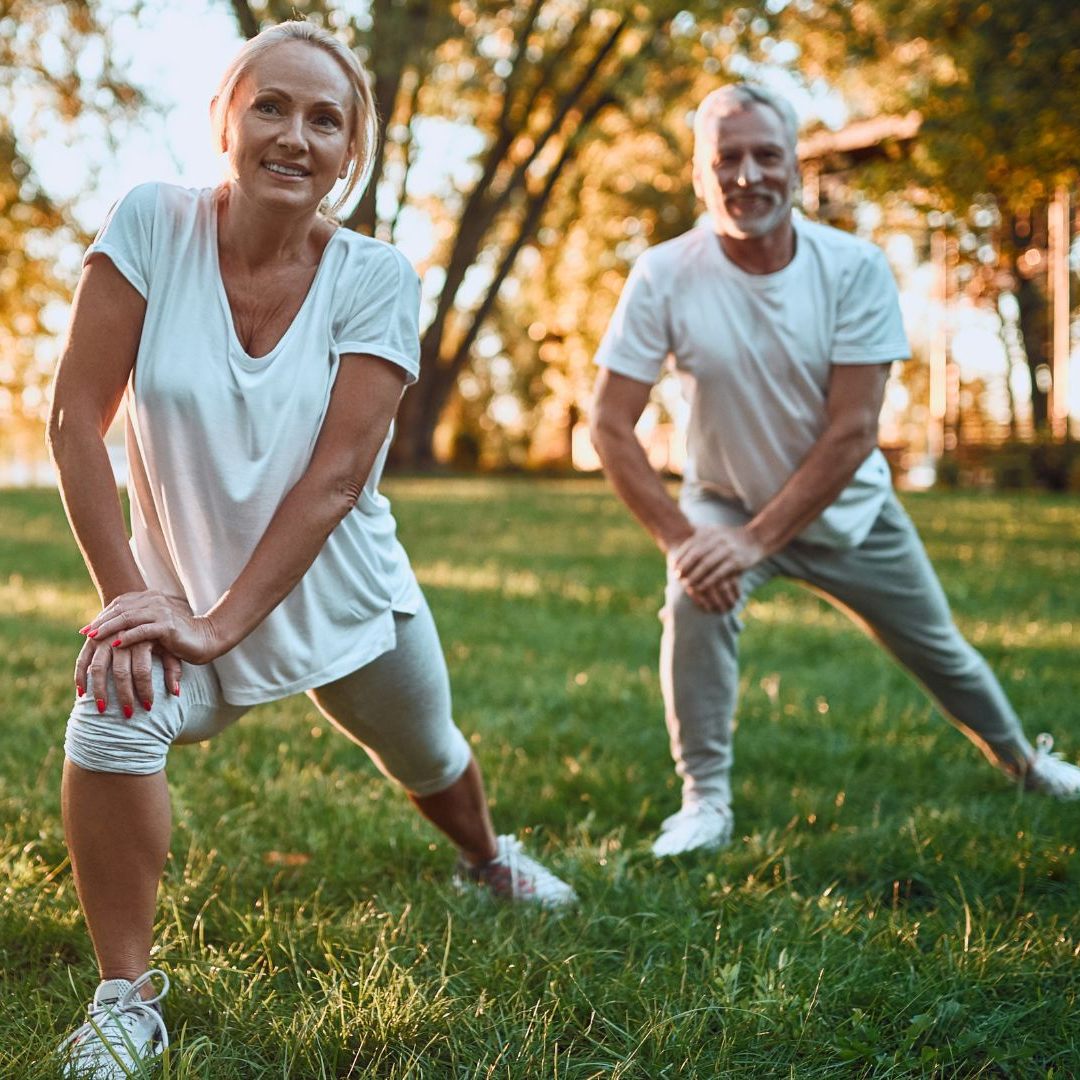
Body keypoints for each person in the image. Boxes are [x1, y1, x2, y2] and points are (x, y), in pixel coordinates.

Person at [47, 21, 576, 1078]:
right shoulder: (152, 224)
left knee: (428, 754)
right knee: (109, 714)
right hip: (175, 594)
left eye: (324, 119)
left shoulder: (377, 277)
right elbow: (72, 417)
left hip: (340, 597)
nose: (294, 134)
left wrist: (217, 626)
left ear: (349, 155)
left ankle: (487, 860)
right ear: (225, 122)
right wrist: (129, 604)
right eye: (271, 107)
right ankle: (125, 998)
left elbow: (336, 479)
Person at [590, 83, 1080, 860]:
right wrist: (685, 541)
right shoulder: (662, 274)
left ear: (794, 167)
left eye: (766, 155)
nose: (747, 175)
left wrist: (757, 540)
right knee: (693, 604)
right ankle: (704, 804)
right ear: (699, 174)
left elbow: (854, 430)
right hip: (721, 500)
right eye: (727, 158)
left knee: (940, 649)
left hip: (849, 511)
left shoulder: (852, 268)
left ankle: (1026, 762)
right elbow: (609, 424)